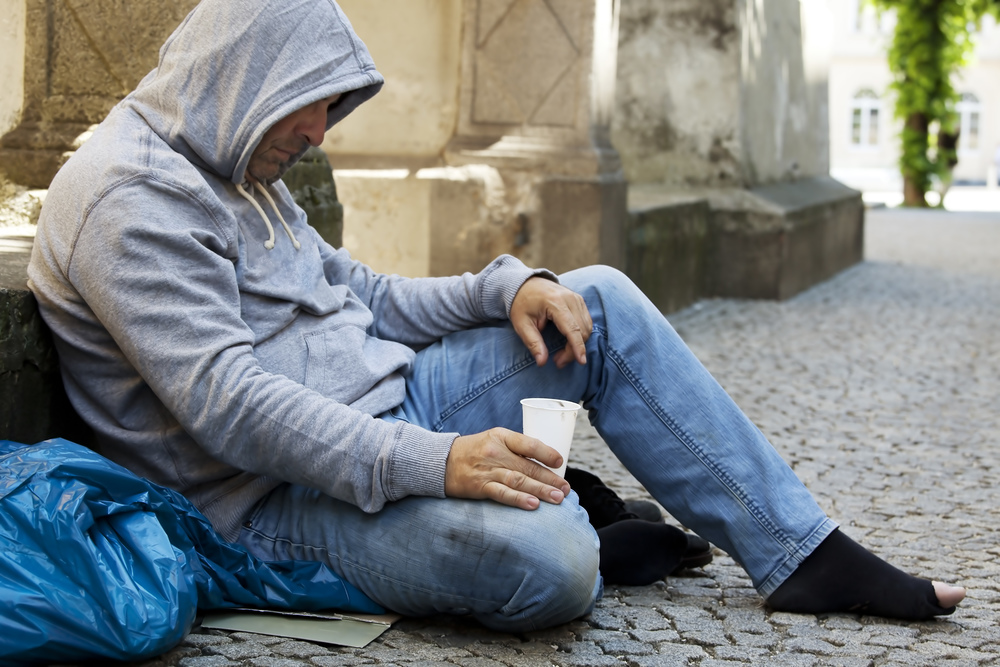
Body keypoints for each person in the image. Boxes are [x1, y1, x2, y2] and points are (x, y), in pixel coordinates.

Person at [28, 0, 964, 631]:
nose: (319, 133)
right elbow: (231, 409)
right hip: (268, 503)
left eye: (327, 109)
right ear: (241, 79)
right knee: (551, 564)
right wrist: (439, 461)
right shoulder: (129, 201)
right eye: (306, 110)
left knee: (595, 299)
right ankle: (581, 524)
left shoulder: (236, 154)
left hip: (390, 408)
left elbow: (364, 296)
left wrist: (508, 287)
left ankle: (799, 551)